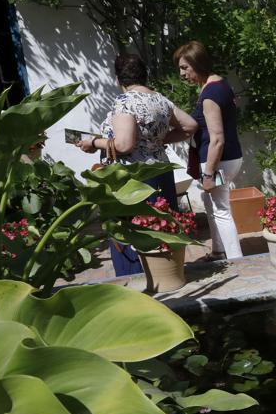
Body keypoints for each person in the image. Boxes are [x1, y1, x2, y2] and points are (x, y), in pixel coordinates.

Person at [76, 53, 197, 275]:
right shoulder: (160, 99)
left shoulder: (125, 102)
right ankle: (167, 277)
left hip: (134, 180)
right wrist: (157, 140)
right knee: (161, 230)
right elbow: (189, 125)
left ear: (118, 79)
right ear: (144, 75)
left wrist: (93, 142)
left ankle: (137, 283)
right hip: (161, 172)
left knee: (132, 233)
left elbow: (123, 144)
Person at [175, 40, 244, 261]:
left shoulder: (210, 95)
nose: (182, 73)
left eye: (185, 67)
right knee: (211, 203)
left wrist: (208, 174)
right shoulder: (220, 85)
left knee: (222, 210)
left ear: (198, 63)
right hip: (230, 159)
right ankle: (218, 251)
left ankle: (236, 261)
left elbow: (217, 140)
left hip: (219, 161)